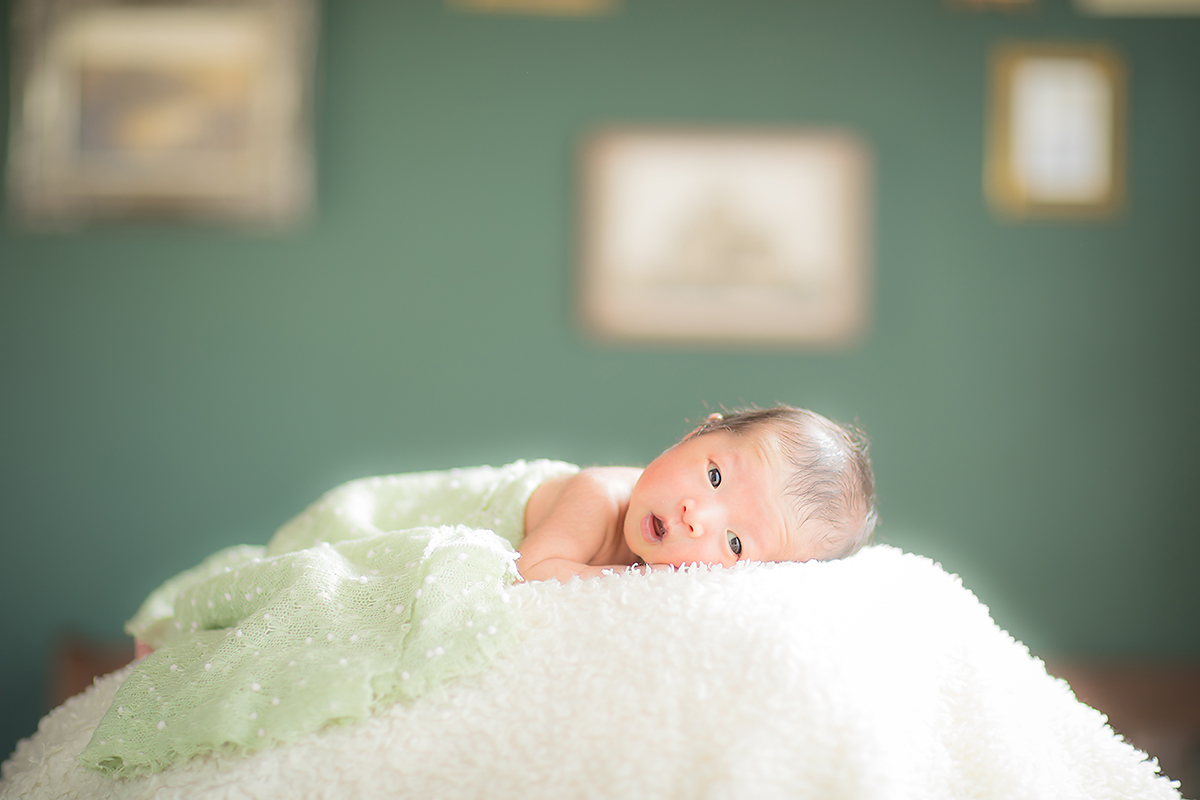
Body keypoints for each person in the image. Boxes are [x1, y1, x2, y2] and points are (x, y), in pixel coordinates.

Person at [518, 405, 878, 582]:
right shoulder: (597, 495)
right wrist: (642, 579)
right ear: (699, 433)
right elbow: (527, 572)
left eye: (735, 543)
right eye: (715, 476)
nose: (696, 518)